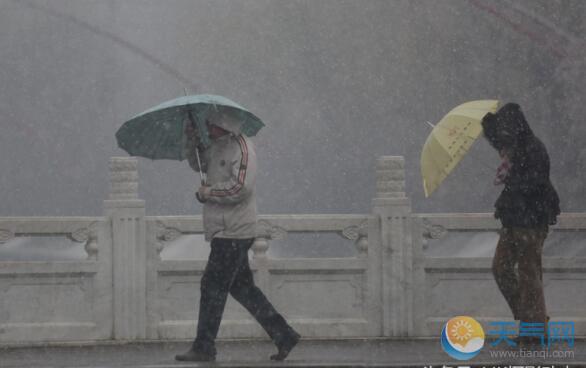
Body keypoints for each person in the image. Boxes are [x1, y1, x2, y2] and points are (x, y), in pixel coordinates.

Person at [175, 111, 300, 362]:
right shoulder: (216, 145)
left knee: (212, 286)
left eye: (212, 125)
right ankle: (283, 334)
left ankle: (204, 346)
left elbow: (241, 187)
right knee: (243, 288)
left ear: (225, 125)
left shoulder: (243, 149)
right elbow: (197, 164)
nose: (208, 128)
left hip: (235, 230)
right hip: (222, 229)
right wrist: (192, 141)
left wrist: (209, 193)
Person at [481, 103, 560, 344]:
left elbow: (534, 185)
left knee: (529, 273)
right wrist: (488, 125)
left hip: (531, 221)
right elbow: (496, 139)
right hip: (514, 220)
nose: (502, 135)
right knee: (501, 268)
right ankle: (530, 318)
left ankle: (534, 329)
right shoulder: (512, 150)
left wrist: (512, 185)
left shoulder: (534, 149)